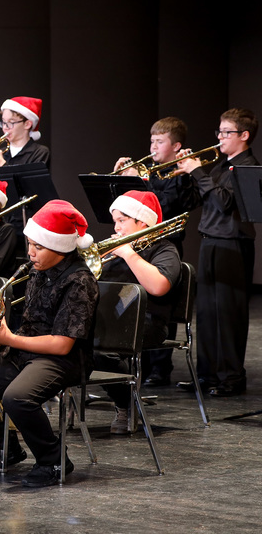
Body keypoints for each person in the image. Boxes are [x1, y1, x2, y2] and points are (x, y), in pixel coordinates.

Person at [0, 200, 99, 487]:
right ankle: (2, 449)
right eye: (29, 244)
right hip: (26, 350)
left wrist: (10, 339)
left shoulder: (80, 281)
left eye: (38, 246)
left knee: (17, 397)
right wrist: (1, 327)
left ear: (61, 247)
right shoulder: (37, 270)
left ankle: (53, 460)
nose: (30, 252)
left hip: (65, 359)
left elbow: (63, 345)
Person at [175, 108, 259, 397]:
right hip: (211, 241)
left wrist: (197, 171)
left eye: (226, 132)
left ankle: (231, 378)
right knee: (207, 314)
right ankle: (207, 375)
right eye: (219, 132)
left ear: (244, 136)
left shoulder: (247, 166)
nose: (220, 138)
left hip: (233, 245)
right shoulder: (220, 167)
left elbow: (224, 202)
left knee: (228, 314)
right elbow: (196, 199)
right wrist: (186, 174)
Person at [113, 116, 199, 384]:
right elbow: (128, 208)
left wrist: (141, 183)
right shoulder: (148, 170)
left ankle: (159, 369)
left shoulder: (181, 176)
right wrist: (122, 178)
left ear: (176, 146)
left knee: (159, 301)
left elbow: (162, 209)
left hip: (165, 243)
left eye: (159, 142)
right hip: (136, 241)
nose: (153, 146)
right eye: (151, 140)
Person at [92, 191, 179, 433]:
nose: (116, 227)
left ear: (142, 223)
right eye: (115, 221)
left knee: (103, 349)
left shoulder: (164, 249)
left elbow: (159, 286)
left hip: (147, 322)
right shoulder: (115, 251)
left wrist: (128, 254)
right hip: (109, 321)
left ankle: (126, 403)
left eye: (122, 220)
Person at [0, 97, 51, 169]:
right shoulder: (1, 153)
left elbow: (30, 180)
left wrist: (2, 164)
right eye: (3, 122)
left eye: (11, 122)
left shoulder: (39, 152)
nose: (5, 127)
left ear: (27, 124)